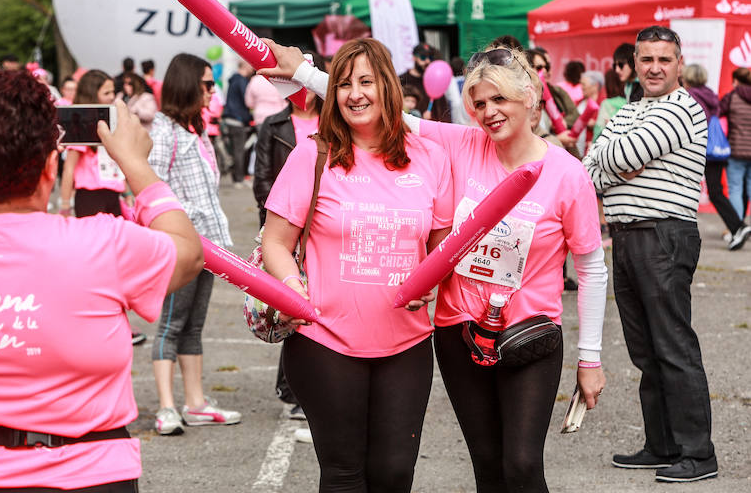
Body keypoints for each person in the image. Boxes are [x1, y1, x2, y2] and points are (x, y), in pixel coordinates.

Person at [258, 39, 607, 493]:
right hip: (457, 330)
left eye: (499, 99)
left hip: (528, 332)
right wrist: (304, 74)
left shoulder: (566, 173)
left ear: (530, 96)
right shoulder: (462, 146)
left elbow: (592, 266)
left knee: (521, 466)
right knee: (485, 461)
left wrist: (591, 357)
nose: (489, 112)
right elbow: (373, 105)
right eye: (478, 103)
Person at [0, 69, 203, 491]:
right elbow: (188, 253)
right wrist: (133, 161)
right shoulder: (103, 243)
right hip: (89, 474)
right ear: (51, 164)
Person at [262, 38, 456, 492]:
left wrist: (434, 277)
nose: (355, 93)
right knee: (345, 474)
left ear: (388, 87)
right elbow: (274, 240)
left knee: (393, 474)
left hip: (406, 344)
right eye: (344, 83)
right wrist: (292, 286)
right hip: (324, 340)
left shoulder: (430, 157)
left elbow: (440, 245)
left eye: (366, 81)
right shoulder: (312, 155)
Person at [584, 25, 717, 483]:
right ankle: (661, 445)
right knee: (645, 350)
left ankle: (699, 455)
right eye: (646, 59)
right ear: (635, 63)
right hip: (625, 236)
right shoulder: (628, 110)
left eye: (664, 59)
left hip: (663, 235)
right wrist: (612, 160)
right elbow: (590, 172)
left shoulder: (684, 109)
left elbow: (614, 160)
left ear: (679, 64)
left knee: (674, 346)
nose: (654, 67)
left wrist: (611, 159)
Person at [147, 53, 240, 436]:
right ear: (187, 84)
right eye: (206, 83)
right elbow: (152, 186)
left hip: (208, 245)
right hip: (180, 244)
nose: (212, 91)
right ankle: (168, 407)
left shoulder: (195, 128)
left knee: (194, 324)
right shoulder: (163, 129)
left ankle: (196, 402)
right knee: (171, 323)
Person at [252, 52, 324, 429]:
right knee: (289, 303)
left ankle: (305, 386)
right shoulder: (272, 125)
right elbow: (261, 179)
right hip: (286, 230)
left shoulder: (335, 121)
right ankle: (291, 388)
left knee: (319, 306)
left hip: (326, 229)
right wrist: (279, 222)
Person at [685, 64, 750, 249]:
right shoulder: (710, 95)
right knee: (719, 191)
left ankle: (738, 226)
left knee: (717, 192)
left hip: (704, 149)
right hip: (718, 150)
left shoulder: (691, 97)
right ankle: (738, 226)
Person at [58, 70, 124, 218]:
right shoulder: (81, 125)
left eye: (113, 92)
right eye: (107, 93)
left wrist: (127, 192)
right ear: (92, 94)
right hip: (90, 197)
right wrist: (65, 205)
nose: (112, 97)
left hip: (113, 193)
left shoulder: (111, 122)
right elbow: (69, 168)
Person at [720, 67, 751, 226]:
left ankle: (738, 228)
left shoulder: (732, 96)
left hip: (736, 151)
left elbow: (717, 112)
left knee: (736, 190)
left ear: (736, 81)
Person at [221, 60, 254, 187]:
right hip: (238, 120)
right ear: (245, 65)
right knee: (240, 151)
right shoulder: (241, 81)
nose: (253, 69)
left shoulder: (233, 80)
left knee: (236, 150)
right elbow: (248, 100)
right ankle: (239, 179)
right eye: (251, 66)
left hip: (230, 118)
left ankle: (238, 177)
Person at [399, 42, 435, 115]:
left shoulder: (433, 81)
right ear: (414, 57)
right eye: (423, 57)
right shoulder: (401, 79)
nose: (427, 61)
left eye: (430, 58)